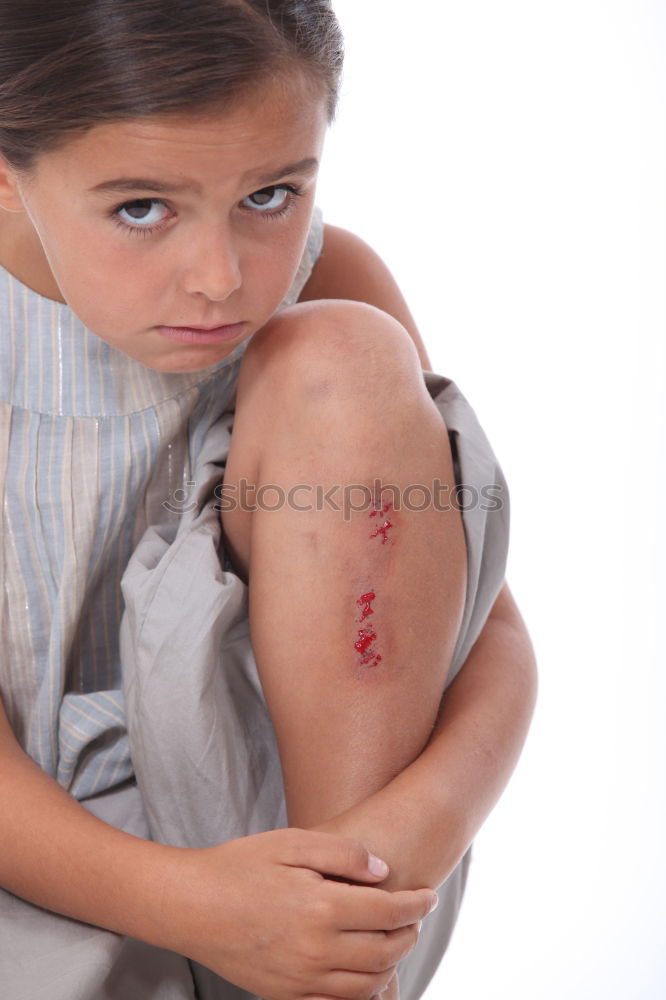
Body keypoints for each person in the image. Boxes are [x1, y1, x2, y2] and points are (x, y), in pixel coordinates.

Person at [0, 2, 538, 998]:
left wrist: (390, 851)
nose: (220, 279)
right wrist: (201, 906)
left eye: (271, 194)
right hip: (35, 865)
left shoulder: (327, 280)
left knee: (342, 351)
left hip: (301, 842)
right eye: (139, 209)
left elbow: (489, 627)